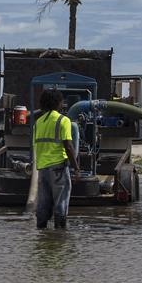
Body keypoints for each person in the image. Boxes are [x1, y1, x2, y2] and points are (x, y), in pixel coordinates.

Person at [33, 89, 81, 229]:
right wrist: (76, 169)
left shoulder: (38, 122)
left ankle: (41, 232)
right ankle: (60, 235)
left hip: (42, 169)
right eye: (61, 101)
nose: (62, 104)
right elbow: (68, 146)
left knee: (43, 203)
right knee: (61, 202)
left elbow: (35, 146)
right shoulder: (63, 120)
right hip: (59, 169)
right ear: (57, 103)